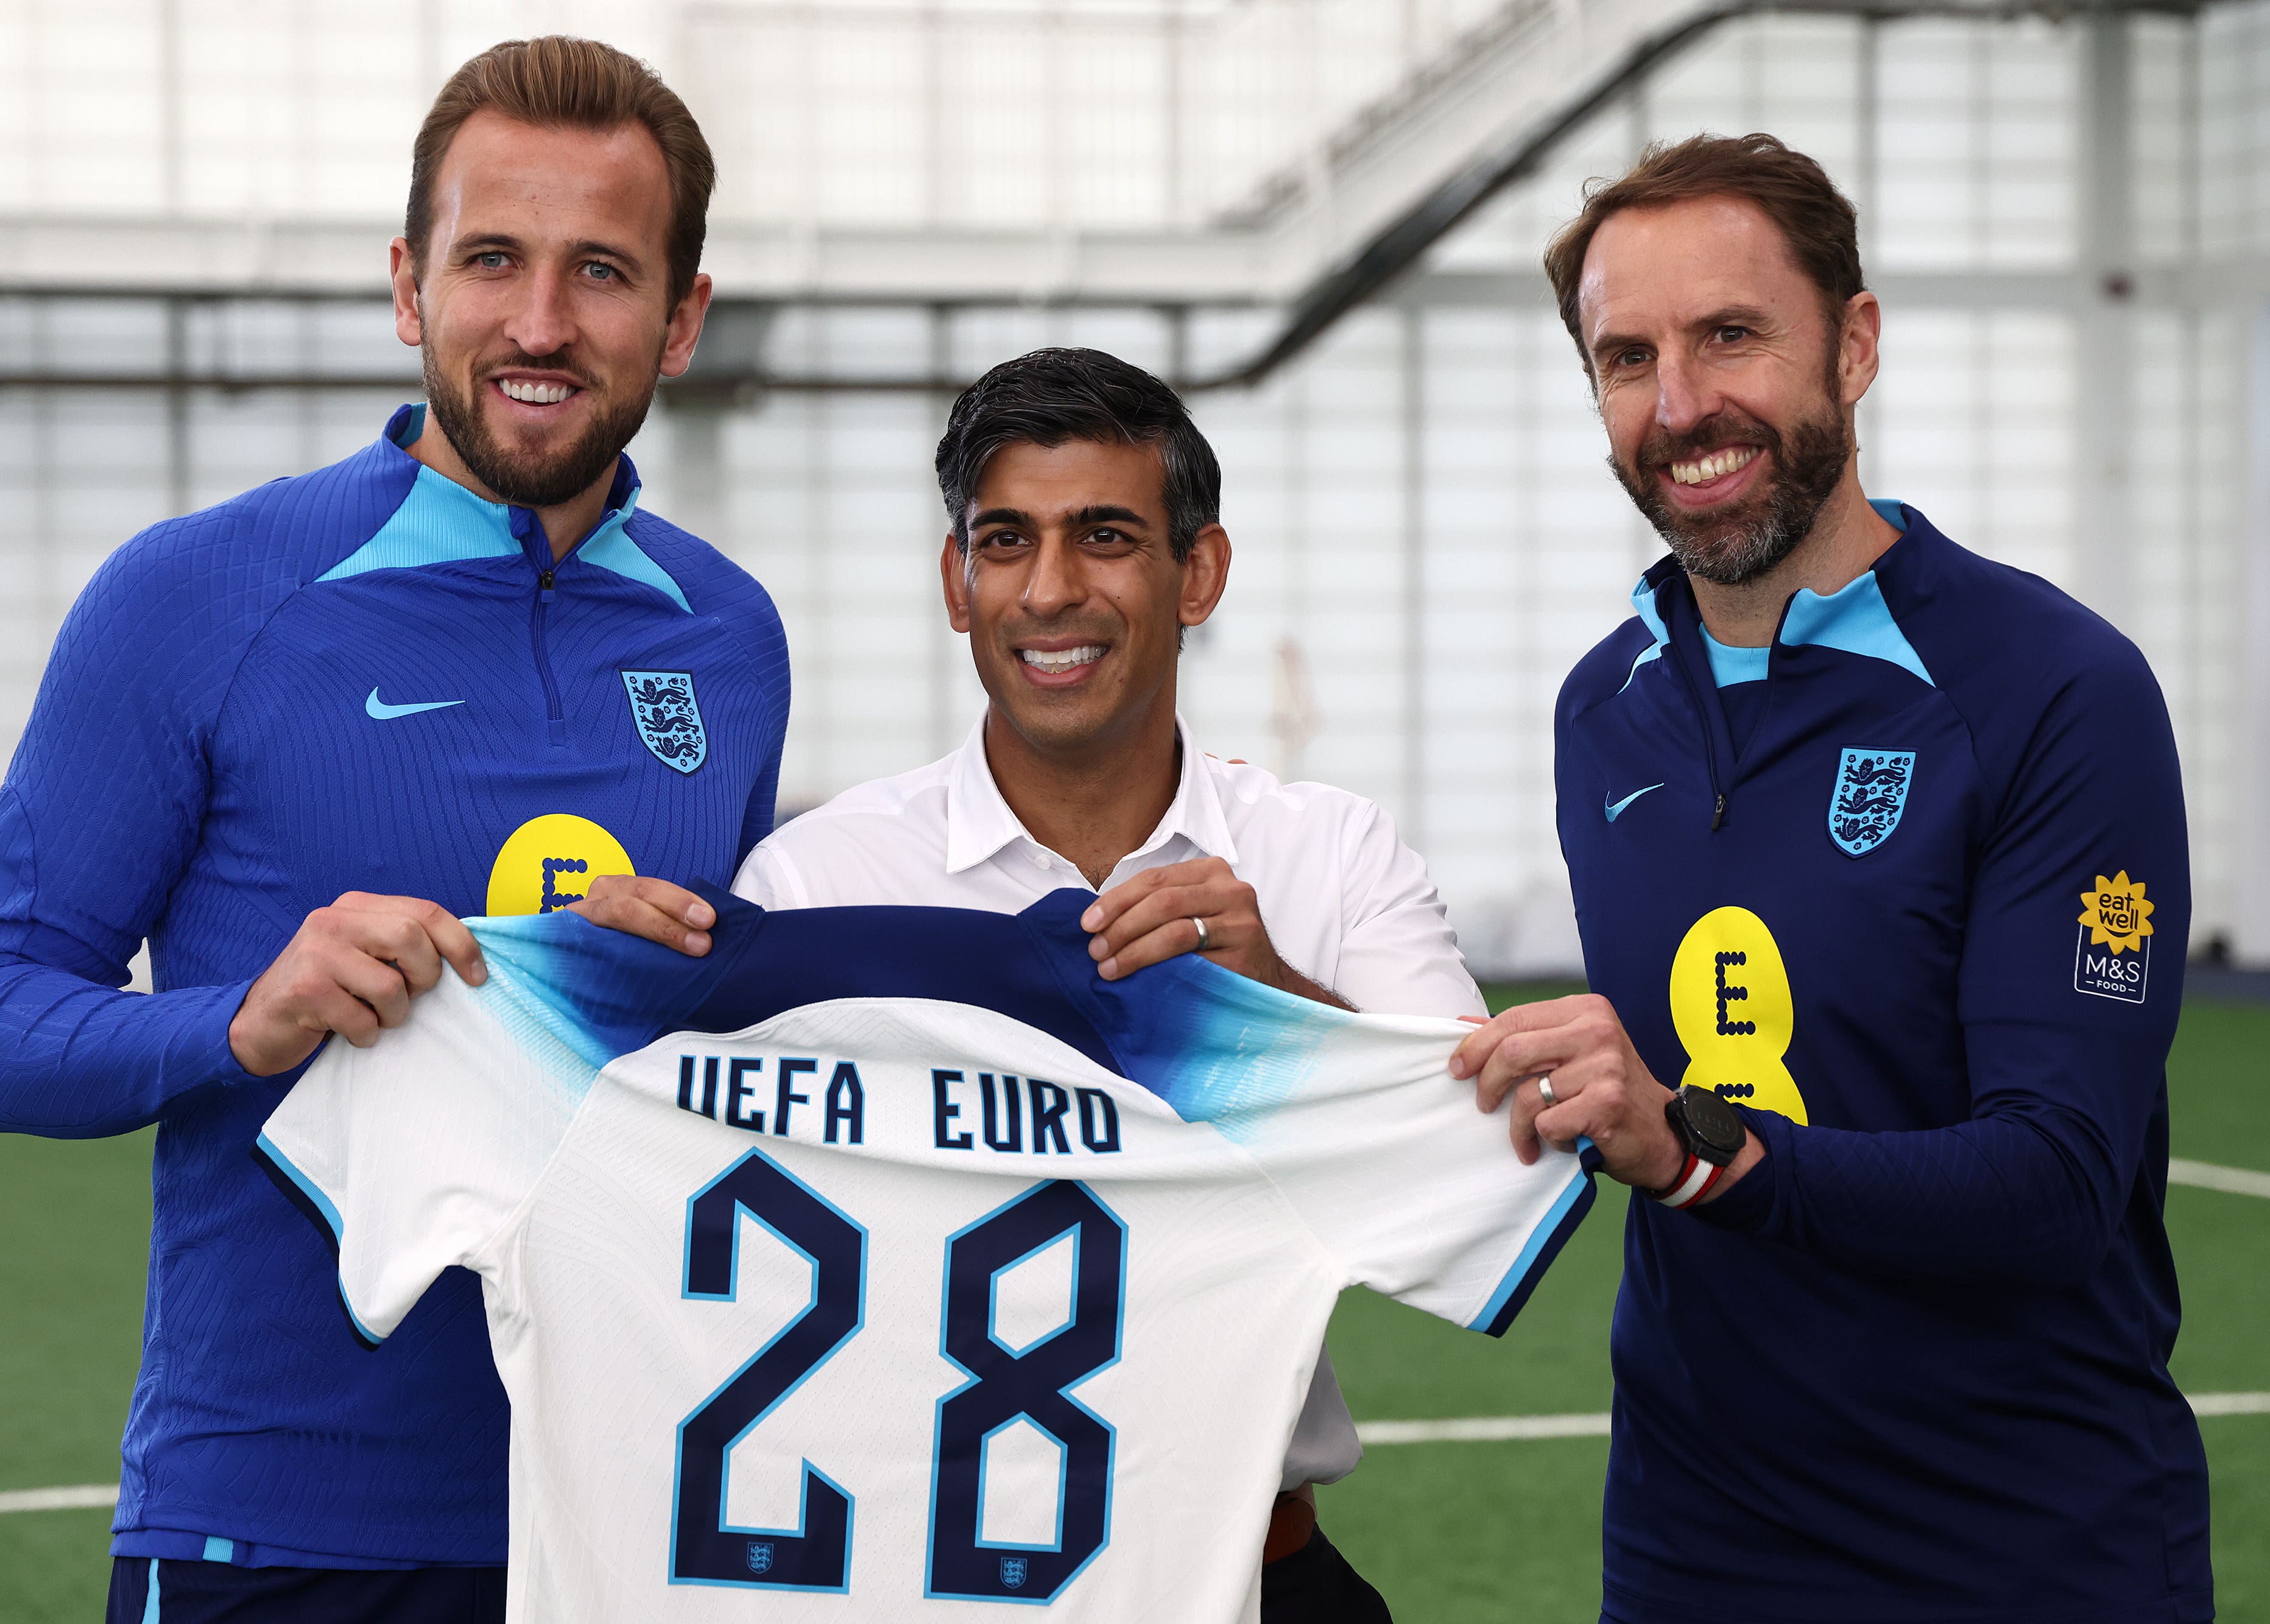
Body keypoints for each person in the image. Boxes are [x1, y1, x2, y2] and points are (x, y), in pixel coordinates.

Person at [0, 37, 789, 1622]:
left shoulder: (729, 637)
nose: (539, 323)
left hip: (635, 1525)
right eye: (491, 260)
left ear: (682, 318)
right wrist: (244, 1022)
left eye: (601, 270)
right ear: (407, 284)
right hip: (276, 1530)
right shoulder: (197, 596)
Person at [1451, 134, 2208, 1622]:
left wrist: (1696, 1152)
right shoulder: (1601, 706)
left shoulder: (2054, 690)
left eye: (1729, 334)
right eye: (1625, 358)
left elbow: (2057, 1182)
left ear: (1850, 346)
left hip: (2020, 1553)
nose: (1679, 406)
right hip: (1689, 1548)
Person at [591, 346, 1468, 1620]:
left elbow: (1474, 1184)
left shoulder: (1326, 855)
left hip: (1249, 1576)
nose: (1048, 590)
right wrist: (589, 1005)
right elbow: (658, 1224)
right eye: (1004, 540)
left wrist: (1270, 1001)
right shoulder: (820, 880)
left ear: (1199, 572)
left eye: (1104, 536)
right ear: (957, 580)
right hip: (900, 1580)